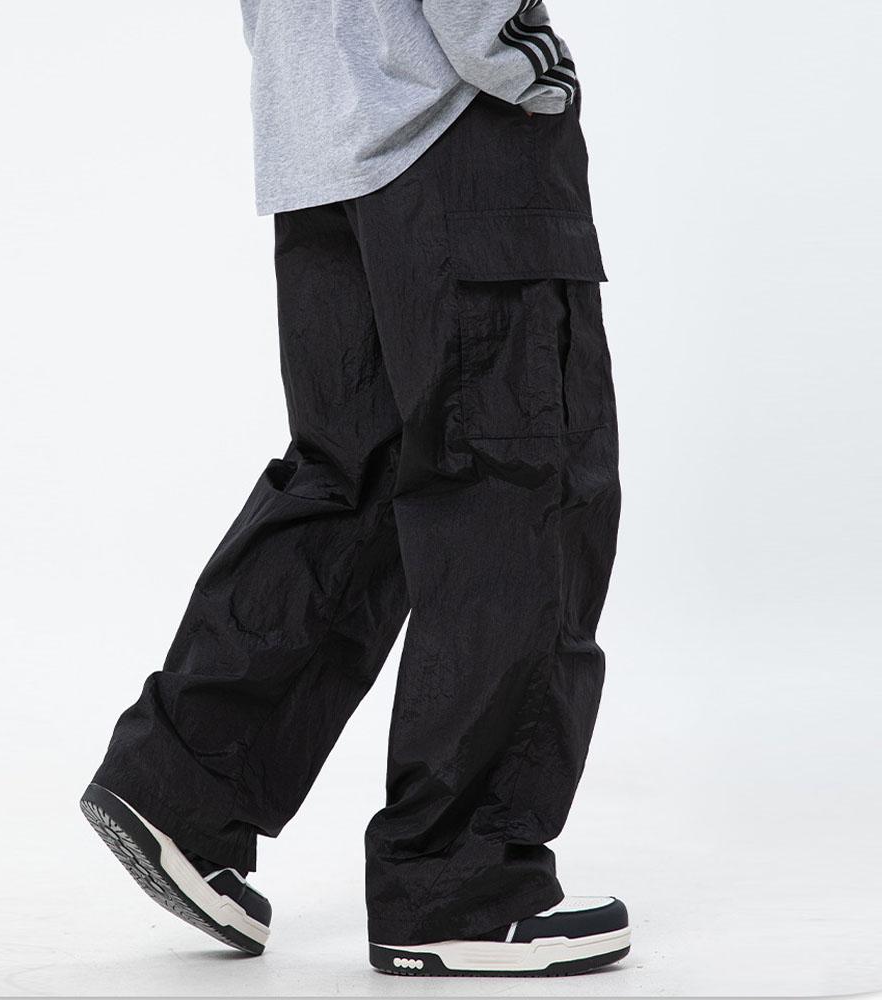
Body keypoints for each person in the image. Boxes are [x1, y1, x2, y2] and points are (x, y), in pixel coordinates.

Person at [80, 0, 627, 978]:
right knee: (515, 492)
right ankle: (458, 884)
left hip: (318, 129)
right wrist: (515, 47)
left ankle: (183, 785)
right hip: (454, 127)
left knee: (353, 476)